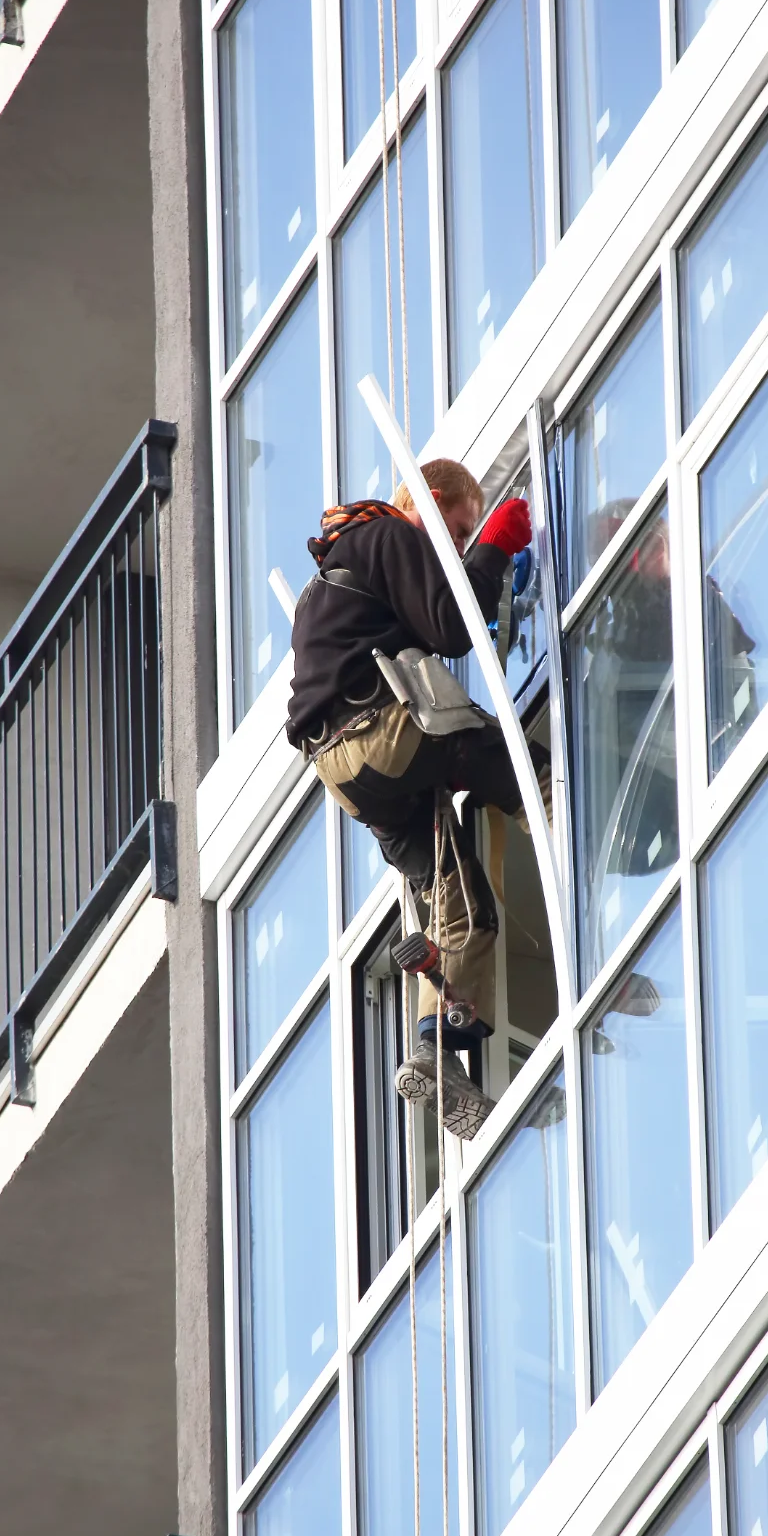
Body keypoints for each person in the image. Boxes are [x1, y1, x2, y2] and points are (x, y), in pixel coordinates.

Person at [285, 459, 541, 1141]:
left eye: (464, 543)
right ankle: (573, 817)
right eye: (457, 531)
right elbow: (451, 625)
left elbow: (427, 623)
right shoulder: (389, 535)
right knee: (504, 755)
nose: (457, 550)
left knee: (459, 906)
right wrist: (496, 547)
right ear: (430, 503)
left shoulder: (328, 586)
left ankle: (434, 1047)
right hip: (380, 730)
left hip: (345, 772)